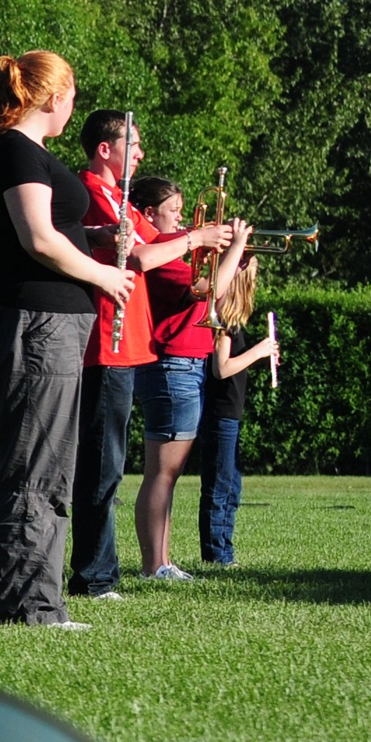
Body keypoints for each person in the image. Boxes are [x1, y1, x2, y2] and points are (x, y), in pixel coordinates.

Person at [0, 54, 132, 628]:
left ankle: (35, 600)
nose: (72, 108)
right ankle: (28, 606)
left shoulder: (28, 154)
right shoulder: (16, 150)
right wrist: (104, 274)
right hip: (33, 324)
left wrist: (93, 235)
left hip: (46, 322)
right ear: (53, 96)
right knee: (34, 468)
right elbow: (37, 239)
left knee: (46, 466)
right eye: (71, 96)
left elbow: (50, 230)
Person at [66, 109, 226, 604]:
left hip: (129, 348)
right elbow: (141, 257)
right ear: (105, 149)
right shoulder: (92, 192)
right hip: (104, 348)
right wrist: (198, 238)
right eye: (132, 145)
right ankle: (94, 577)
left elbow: (161, 245)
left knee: (110, 465)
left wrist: (221, 242)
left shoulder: (122, 198)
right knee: (100, 466)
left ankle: (101, 572)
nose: (140, 154)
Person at [132, 178, 250, 582]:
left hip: (185, 364)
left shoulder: (174, 252)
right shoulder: (164, 256)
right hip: (172, 365)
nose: (183, 218)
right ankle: (154, 565)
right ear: (150, 214)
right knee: (162, 472)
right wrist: (233, 248)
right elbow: (212, 291)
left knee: (170, 473)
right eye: (175, 211)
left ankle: (161, 562)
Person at [197, 246, 278, 568]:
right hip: (221, 415)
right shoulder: (225, 320)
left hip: (229, 413)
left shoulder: (232, 320)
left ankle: (223, 550)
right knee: (220, 486)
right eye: (253, 277)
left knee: (231, 484)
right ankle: (217, 555)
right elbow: (222, 368)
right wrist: (258, 352)